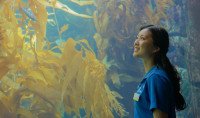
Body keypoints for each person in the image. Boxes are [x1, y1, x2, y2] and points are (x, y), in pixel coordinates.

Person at [133, 25, 186, 118]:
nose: (136, 42)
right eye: (136, 38)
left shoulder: (156, 78)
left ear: (156, 48)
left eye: (142, 38)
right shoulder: (151, 76)